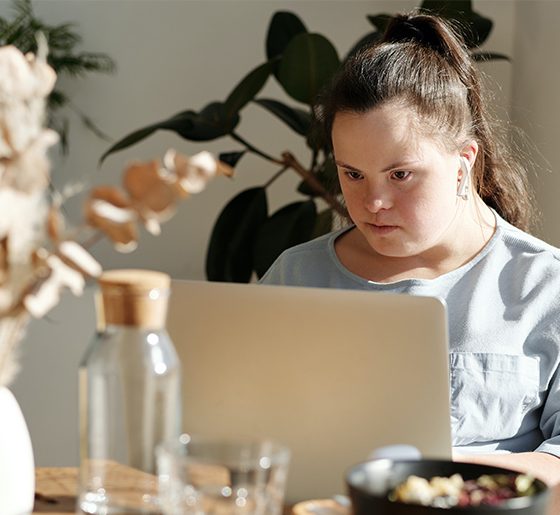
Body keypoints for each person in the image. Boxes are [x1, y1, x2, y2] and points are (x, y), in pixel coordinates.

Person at [260, 12, 560, 485]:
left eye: (401, 174)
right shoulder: (295, 276)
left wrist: (434, 479)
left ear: (463, 163)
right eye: (352, 174)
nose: (373, 202)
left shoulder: (545, 287)